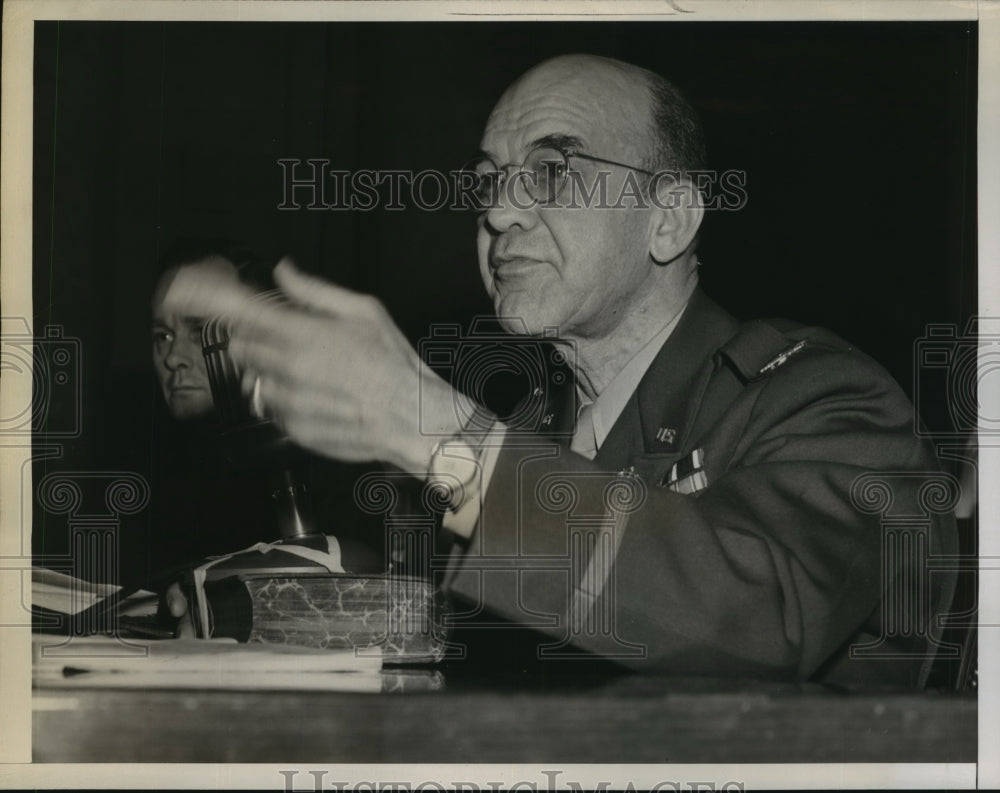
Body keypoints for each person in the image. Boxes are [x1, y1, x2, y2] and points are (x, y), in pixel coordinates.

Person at [161, 55, 958, 686]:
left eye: (550, 170)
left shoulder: (827, 397)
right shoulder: (540, 433)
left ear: (670, 218)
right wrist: (275, 613)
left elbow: (759, 620)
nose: (498, 211)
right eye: (487, 181)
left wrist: (439, 431)